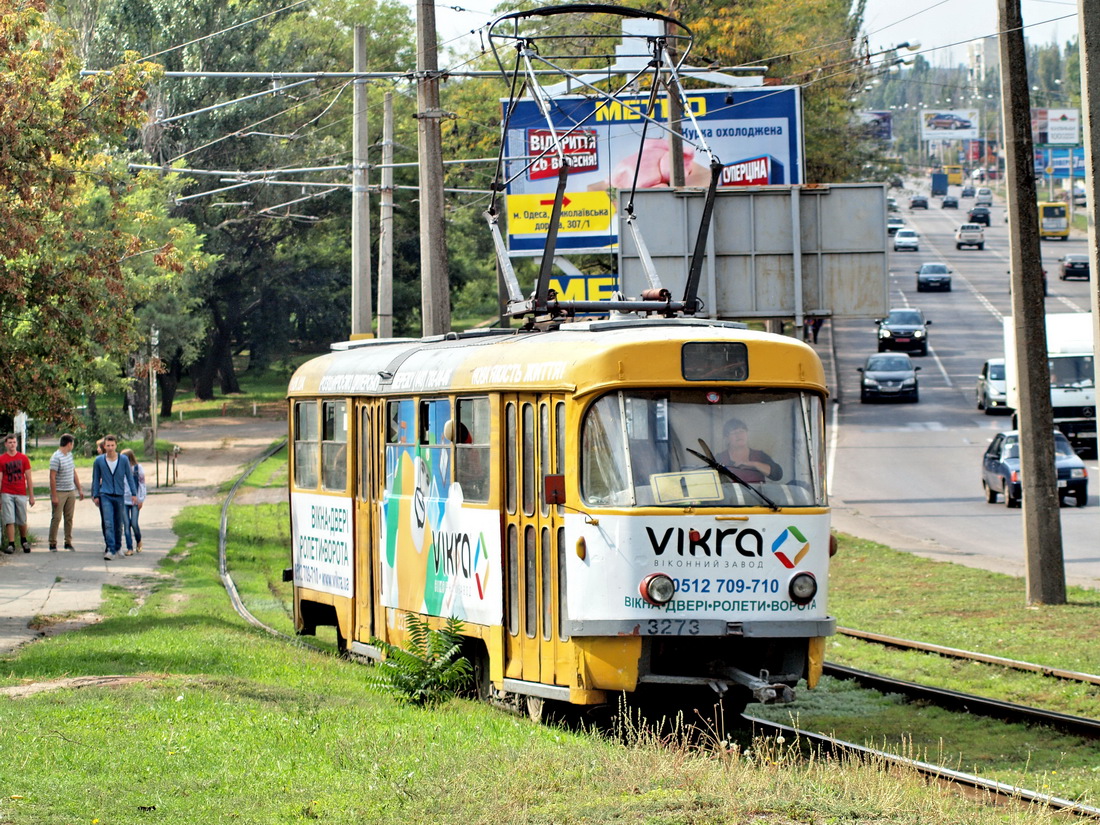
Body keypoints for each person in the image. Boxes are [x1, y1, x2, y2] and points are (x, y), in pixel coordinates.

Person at [90, 434, 137, 561]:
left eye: (112, 445)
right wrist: (95, 495)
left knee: (118, 522)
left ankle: (118, 547)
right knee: (108, 522)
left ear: (116, 445)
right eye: (108, 445)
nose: (110, 448)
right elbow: (95, 479)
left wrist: (134, 493)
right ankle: (110, 549)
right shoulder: (99, 461)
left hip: (119, 494)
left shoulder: (123, 460)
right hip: (105, 494)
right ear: (104, 446)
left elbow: (129, 476)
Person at [715, 417, 782, 483]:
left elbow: (777, 475)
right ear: (726, 438)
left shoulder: (760, 455)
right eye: (734, 432)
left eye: (742, 431)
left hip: (756, 494)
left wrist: (754, 464)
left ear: (747, 434)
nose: (739, 435)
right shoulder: (719, 458)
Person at [48, 433, 84, 551]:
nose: (72, 446)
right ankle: (52, 542)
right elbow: (52, 477)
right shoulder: (56, 457)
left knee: (69, 517)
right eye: (72, 444)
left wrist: (79, 488)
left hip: (70, 490)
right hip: (59, 491)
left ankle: (68, 541)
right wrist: (54, 495)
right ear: (69, 444)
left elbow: (73, 472)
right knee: (57, 517)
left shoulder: (69, 455)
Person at [1, 433, 35, 554]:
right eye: (10, 442)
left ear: (17, 443)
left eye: (14, 442)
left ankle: (24, 540)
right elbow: (0, 478)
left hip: (20, 491)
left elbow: (29, 477)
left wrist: (31, 495)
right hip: (6, 492)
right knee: (9, 519)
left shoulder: (23, 458)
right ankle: (11, 544)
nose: (12, 444)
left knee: (22, 519)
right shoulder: (2, 459)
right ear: (6, 444)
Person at [119, 448, 146, 556]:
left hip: (135, 500)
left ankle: (139, 540)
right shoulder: (120, 469)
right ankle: (129, 547)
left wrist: (141, 499)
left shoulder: (137, 468)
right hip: (124, 500)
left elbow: (142, 484)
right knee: (126, 524)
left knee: (134, 523)